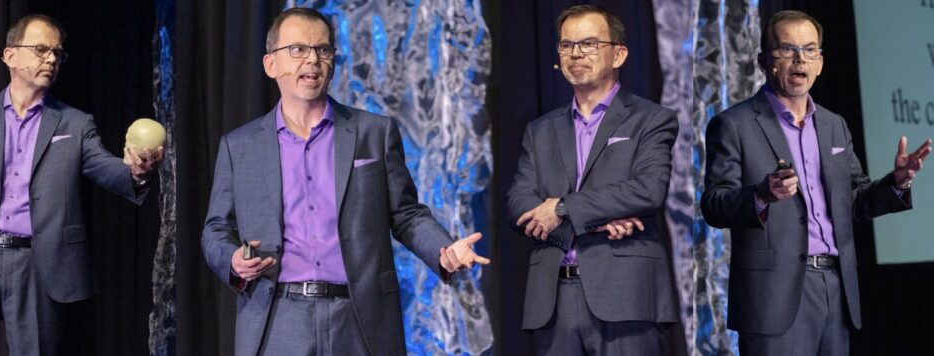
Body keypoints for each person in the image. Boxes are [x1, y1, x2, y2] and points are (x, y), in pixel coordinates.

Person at [200, 7, 490, 356]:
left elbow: (407, 214)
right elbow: (216, 228)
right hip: (277, 316)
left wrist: (443, 250)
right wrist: (232, 260)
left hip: (358, 316)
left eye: (322, 50)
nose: (312, 60)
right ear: (270, 64)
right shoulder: (240, 145)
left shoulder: (373, 133)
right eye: (298, 50)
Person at [0, 14, 163, 355]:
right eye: (40, 49)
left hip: (39, 265)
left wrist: (137, 171)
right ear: (10, 56)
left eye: (57, 53)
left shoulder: (74, 124)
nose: (50, 58)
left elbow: (106, 167)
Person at [702, 10, 931, 355]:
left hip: (833, 288)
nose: (800, 59)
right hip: (772, 296)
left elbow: (854, 199)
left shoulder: (834, 125)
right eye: (787, 49)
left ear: (820, 63)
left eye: (810, 50)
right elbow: (714, 204)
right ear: (765, 61)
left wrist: (896, 183)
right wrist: (761, 195)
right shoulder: (734, 124)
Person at [506, 5, 679, 355]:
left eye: (588, 44)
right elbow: (519, 203)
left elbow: (647, 189)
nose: (576, 54)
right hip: (553, 302)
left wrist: (564, 207)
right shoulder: (540, 131)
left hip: (626, 298)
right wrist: (597, 220)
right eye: (566, 45)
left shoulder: (651, 119)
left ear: (618, 54)